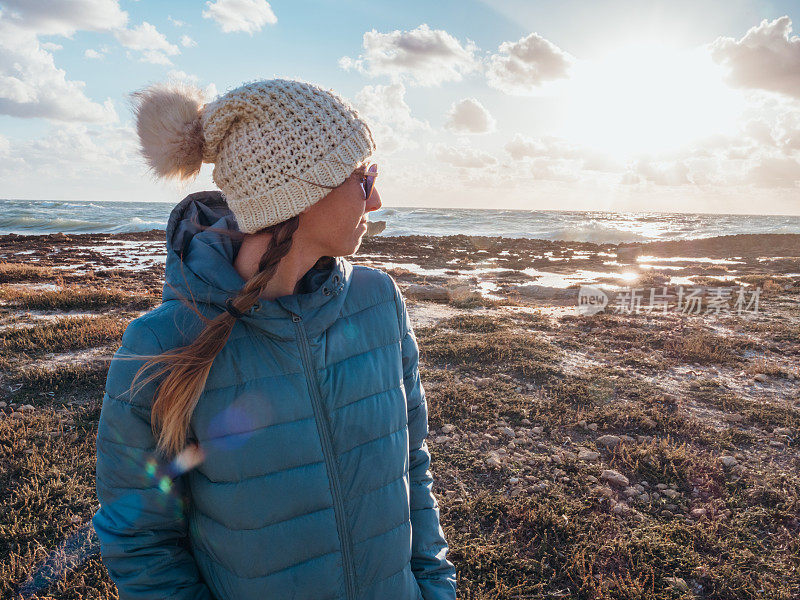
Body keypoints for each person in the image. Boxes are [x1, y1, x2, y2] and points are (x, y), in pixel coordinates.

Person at [91, 78, 457, 600]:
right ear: (299, 193)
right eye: (362, 177)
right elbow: (141, 539)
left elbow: (411, 469)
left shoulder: (379, 302)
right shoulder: (161, 344)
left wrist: (436, 590)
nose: (375, 200)